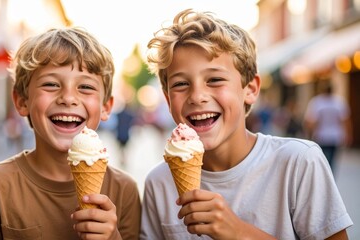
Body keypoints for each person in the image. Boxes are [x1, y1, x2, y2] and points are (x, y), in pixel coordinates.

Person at [140, 9, 352, 239]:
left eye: (215, 79)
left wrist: (239, 232)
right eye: (181, 84)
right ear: (168, 98)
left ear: (250, 89)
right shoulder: (159, 182)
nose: (197, 96)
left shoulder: (299, 162)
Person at [0, 27, 141, 240]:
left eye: (85, 87)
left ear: (106, 107)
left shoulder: (124, 190)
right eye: (51, 84)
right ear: (21, 101)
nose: (68, 98)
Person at [304, 82, 352, 173]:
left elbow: (310, 122)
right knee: (331, 161)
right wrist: (348, 135)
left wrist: (309, 134)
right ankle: (329, 178)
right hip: (335, 136)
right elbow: (346, 121)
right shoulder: (339, 102)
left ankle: (322, 178)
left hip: (321, 136)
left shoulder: (316, 102)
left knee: (322, 160)